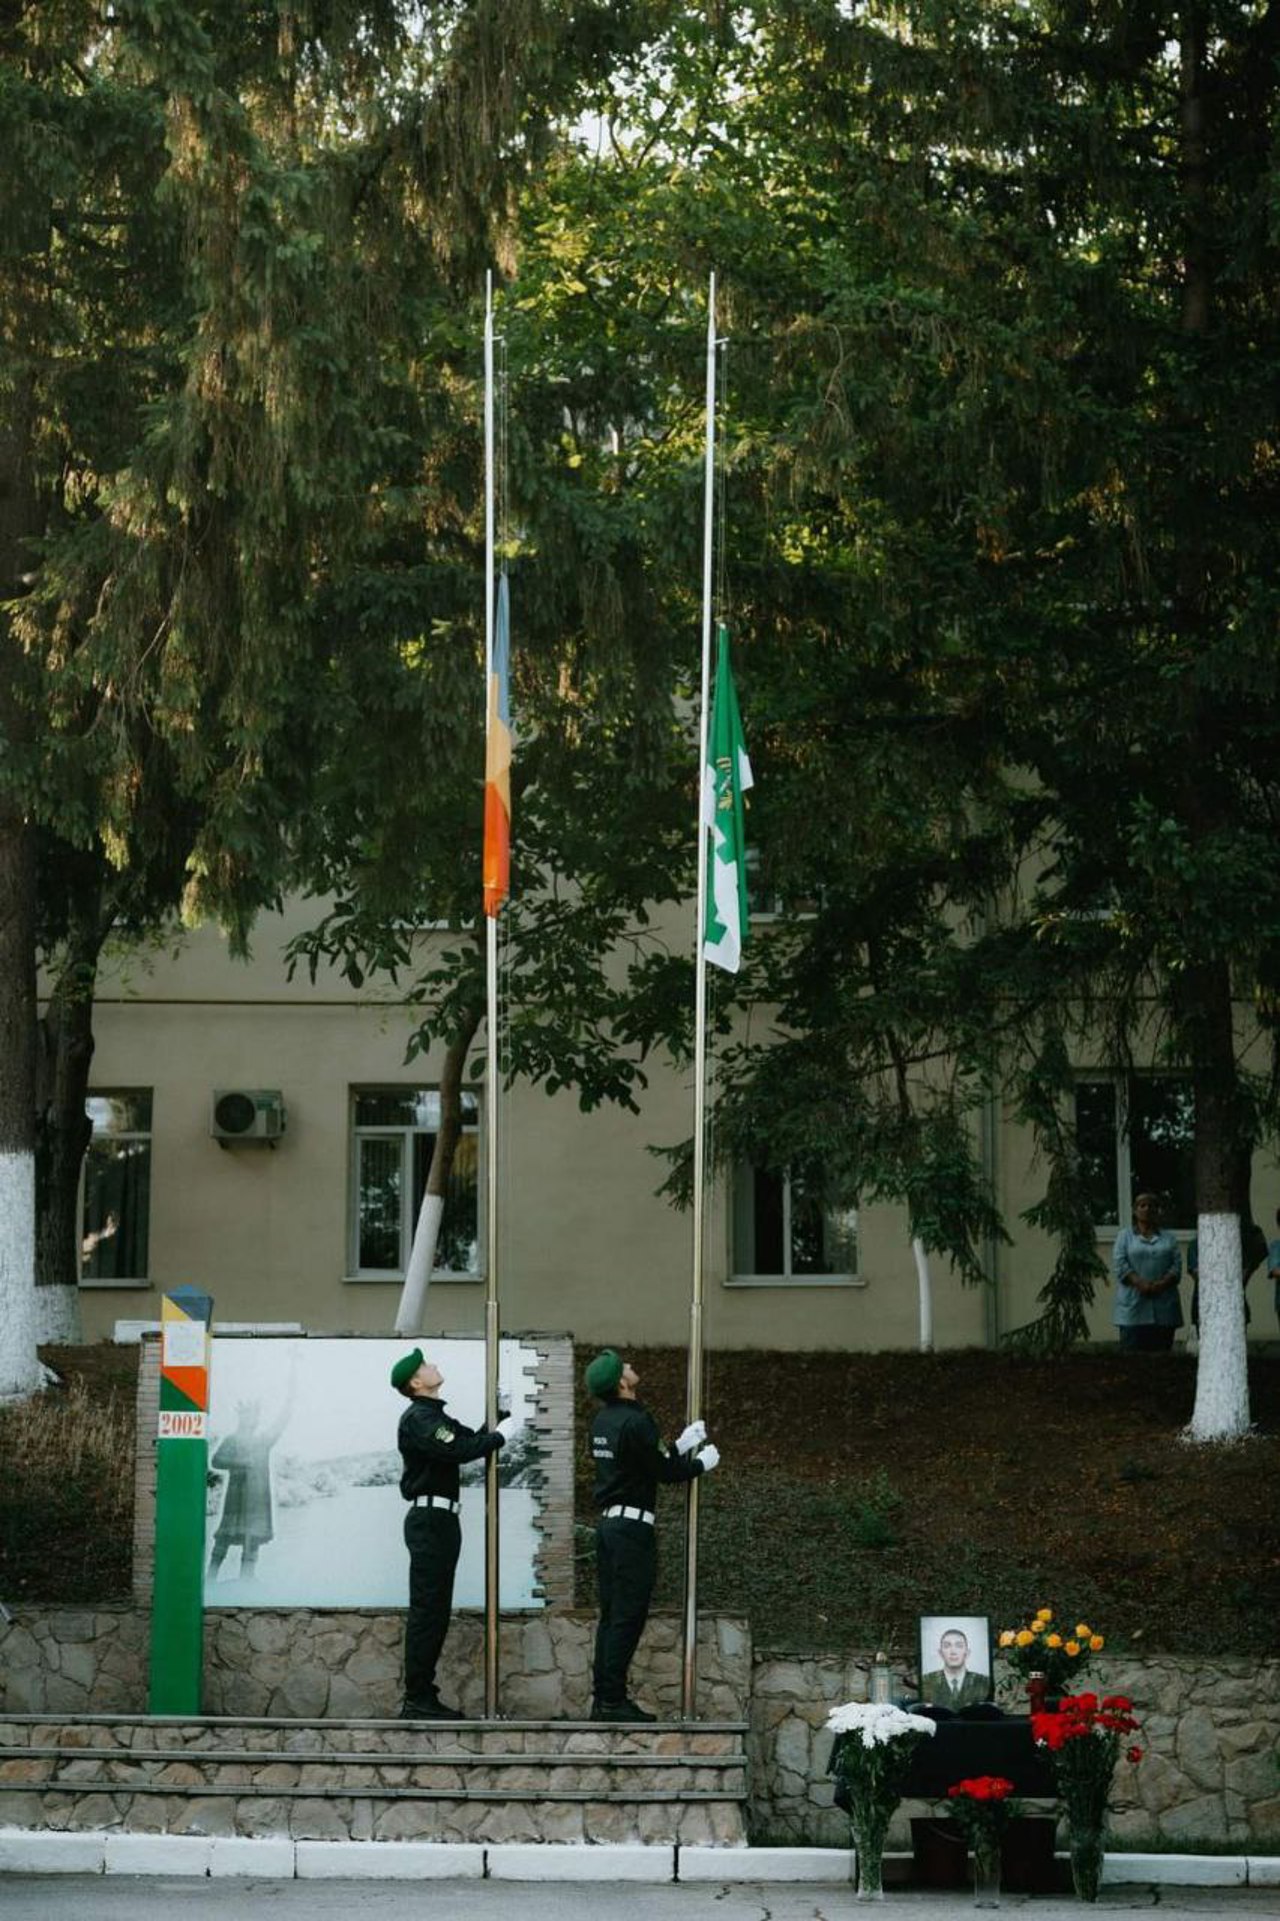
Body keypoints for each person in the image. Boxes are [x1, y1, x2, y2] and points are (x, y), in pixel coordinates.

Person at [586, 1348, 720, 1722]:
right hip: (632, 1531)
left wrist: (679, 1445)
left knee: (612, 1617)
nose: (631, 1367)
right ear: (622, 1382)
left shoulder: (602, 1421)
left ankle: (603, 1698)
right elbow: (663, 1472)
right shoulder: (637, 1419)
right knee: (627, 1617)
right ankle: (612, 1701)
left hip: (609, 1527)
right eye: (625, 1366)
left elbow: (640, 1464)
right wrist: (699, 1464)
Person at [392, 1346, 513, 1721]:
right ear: (416, 1383)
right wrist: (500, 1437)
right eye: (425, 1365)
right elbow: (461, 1450)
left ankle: (422, 1695)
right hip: (431, 1520)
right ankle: (417, 1698)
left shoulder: (434, 1416)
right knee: (428, 1610)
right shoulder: (420, 1418)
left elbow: (469, 1439)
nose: (433, 1365)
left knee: (436, 1610)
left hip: (440, 1520)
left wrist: (501, 1416)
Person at [208, 1356, 297, 1580]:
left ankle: (247, 1580)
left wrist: (291, 1392)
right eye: (249, 1415)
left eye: (256, 1415)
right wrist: (240, 1463)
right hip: (236, 1500)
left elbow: (283, 1420)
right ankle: (210, 1579)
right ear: (242, 1417)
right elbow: (216, 1461)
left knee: (253, 1541)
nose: (254, 1419)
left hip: (257, 1501)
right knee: (224, 1538)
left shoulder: (263, 1441)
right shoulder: (232, 1440)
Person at [1111, 1192, 1183, 1351]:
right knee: (1132, 1358)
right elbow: (1120, 1264)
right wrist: (1139, 1283)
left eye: (1151, 1206)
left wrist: (1161, 1284)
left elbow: (1177, 1266)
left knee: (1162, 1358)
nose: (1147, 1209)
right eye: (1142, 1205)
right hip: (1133, 1309)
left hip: (1164, 1308)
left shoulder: (1169, 1238)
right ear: (1134, 1211)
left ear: (1157, 1210)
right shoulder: (1124, 1236)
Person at [919, 1626, 991, 1709]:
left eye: (959, 1646)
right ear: (940, 1653)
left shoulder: (983, 1682)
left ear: (967, 1653)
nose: (953, 1652)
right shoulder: (926, 1681)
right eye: (947, 1646)